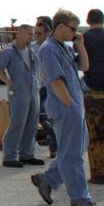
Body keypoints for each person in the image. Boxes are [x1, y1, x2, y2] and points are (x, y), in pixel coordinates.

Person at [31, 9, 104, 206]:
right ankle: (80, 198)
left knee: (76, 148)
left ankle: (48, 179)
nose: (76, 32)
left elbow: (85, 67)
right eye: (73, 29)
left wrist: (80, 45)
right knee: (73, 155)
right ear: (61, 26)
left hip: (75, 106)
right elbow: (55, 81)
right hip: (67, 108)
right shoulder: (48, 49)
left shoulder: (63, 47)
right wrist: (71, 106)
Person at [0, 24, 42, 168]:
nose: (31, 36)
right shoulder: (9, 52)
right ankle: (9, 156)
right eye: (29, 34)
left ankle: (27, 154)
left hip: (33, 90)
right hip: (18, 91)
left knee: (32, 123)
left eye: (32, 34)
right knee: (17, 122)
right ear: (19, 34)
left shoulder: (31, 50)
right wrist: (7, 80)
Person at [34, 15, 57, 158]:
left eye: (39, 31)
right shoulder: (32, 48)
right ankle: (53, 143)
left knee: (48, 117)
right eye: (35, 31)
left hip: (51, 87)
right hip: (39, 88)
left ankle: (54, 146)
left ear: (49, 31)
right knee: (42, 117)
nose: (36, 34)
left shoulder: (51, 47)